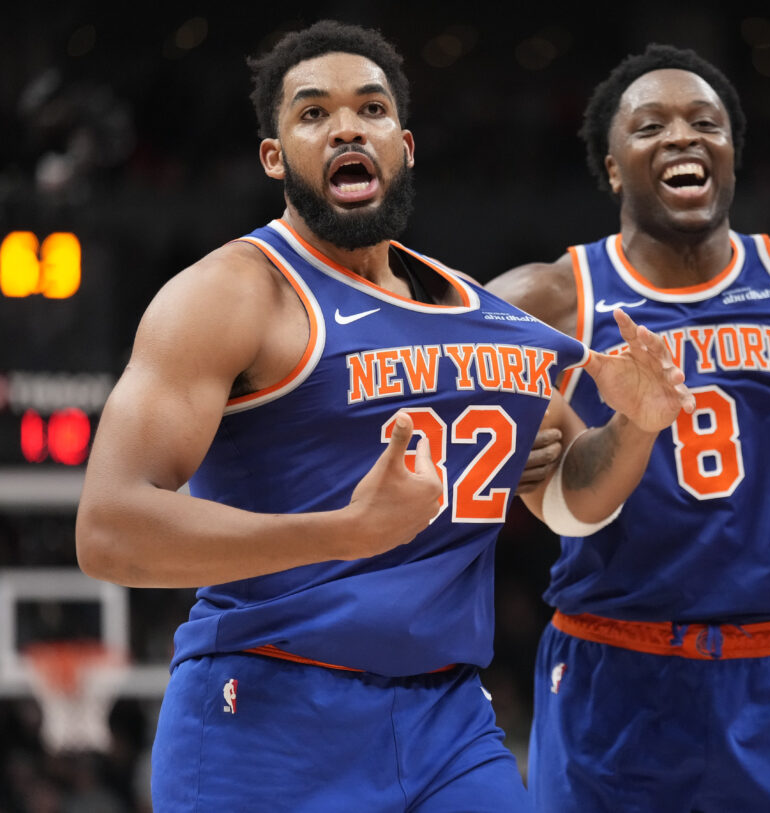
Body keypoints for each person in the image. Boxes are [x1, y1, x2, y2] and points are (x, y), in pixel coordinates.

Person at [74, 21, 693, 813]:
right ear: (274, 157)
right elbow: (110, 530)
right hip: (265, 712)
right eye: (313, 113)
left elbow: (571, 503)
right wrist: (344, 532)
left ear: (403, 146)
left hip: (447, 721)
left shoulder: (483, 318)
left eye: (369, 109)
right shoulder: (229, 294)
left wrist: (636, 425)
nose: (346, 127)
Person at [487, 44, 770, 813]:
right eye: (650, 125)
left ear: (731, 152)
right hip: (608, 667)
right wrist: (507, 452)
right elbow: (412, 398)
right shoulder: (550, 298)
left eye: (705, 122)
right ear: (612, 167)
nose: (682, 136)